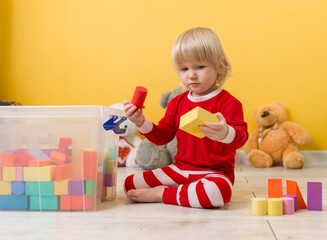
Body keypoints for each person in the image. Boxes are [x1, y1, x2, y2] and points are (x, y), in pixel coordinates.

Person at [123, 27, 248, 208]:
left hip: (214, 173)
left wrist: (225, 132)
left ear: (220, 65)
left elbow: (241, 137)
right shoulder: (177, 102)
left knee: (218, 193)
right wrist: (141, 122)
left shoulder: (229, 103)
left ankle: (163, 194)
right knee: (130, 184)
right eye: (184, 68)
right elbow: (162, 136)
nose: (191, 75)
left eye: (200, 67)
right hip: (180, 169)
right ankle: (184, 192)